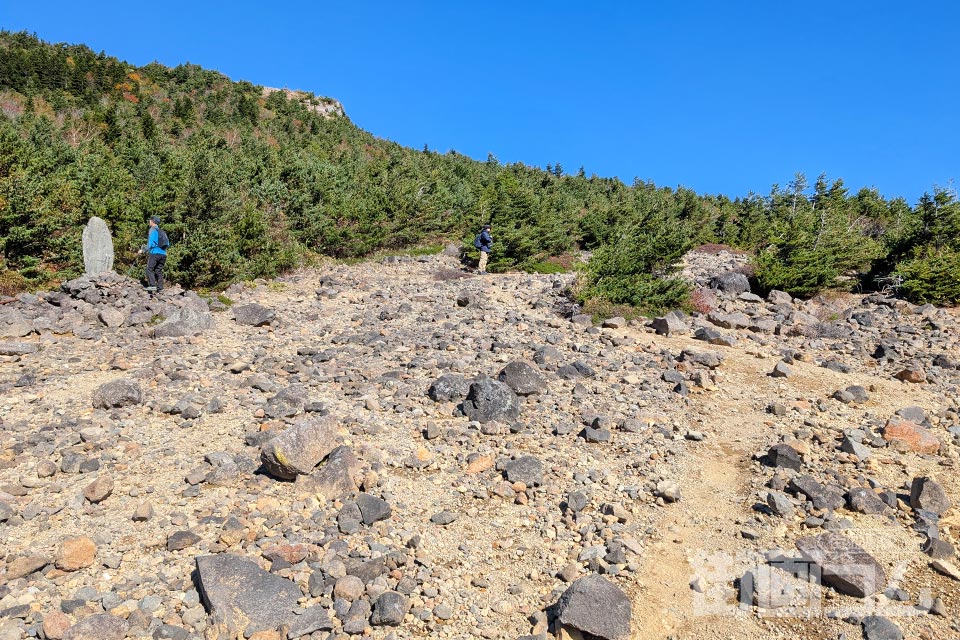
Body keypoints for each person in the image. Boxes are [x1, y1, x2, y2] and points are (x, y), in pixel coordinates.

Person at [139, 216, 167, 292]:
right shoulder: (162, 232)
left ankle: (152, 286)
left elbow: (150, 244)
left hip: (155, 253)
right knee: (158, 270)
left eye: (150, 220)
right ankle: (160, 288)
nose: (149, 222)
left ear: (152, 221)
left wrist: (143, 250)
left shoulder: (153, 230)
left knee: (149, 269)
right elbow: (167, 244)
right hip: (164, 254)